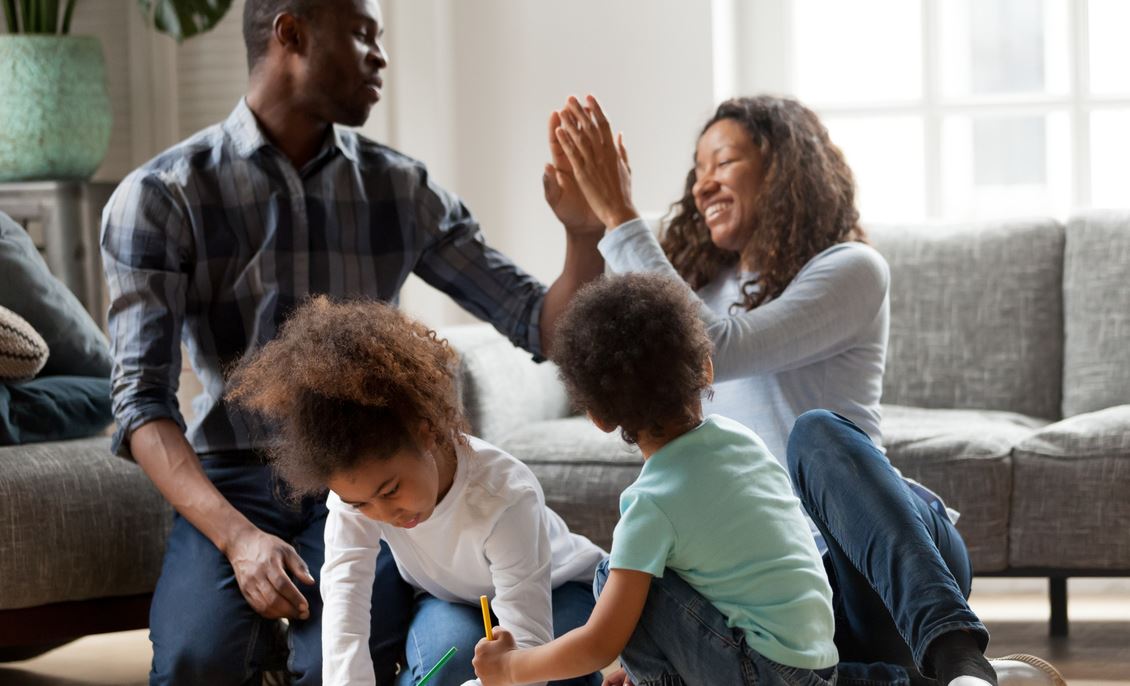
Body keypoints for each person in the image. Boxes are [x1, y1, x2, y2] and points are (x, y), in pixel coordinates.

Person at [98, 1, 604, 683]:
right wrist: (238, 538)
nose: (381, 57)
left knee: (343, 657)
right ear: (292, 33)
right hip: (230, 477)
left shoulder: (401, 188)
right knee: (194, 660)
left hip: (362, 476)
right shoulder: (162, 196)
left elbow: (545, 326)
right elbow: (140, 405)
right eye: (364, 34)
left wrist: (582, 235)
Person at [544, 94, 1064, 686]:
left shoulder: (851, 269)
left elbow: (718, 344)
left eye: (723, 163)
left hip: (884, 568)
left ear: (783, 169)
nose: (702, 185)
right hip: (791, 607)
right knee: (632, 569)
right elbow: (579, 348)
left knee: (814, 434)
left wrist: (619, 211)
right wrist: (585, 231)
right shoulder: (693, 291)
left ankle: (960, 659)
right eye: (697, 170)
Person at [472, 271, 859, 686]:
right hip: (819, 667)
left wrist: (511, 668)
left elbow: (599, 644)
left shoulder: (651, 503)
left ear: (600, 418)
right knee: (646, 573)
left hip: (761, 675)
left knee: (616, 576)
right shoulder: (744, 440)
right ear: (705, 368)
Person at [226, 296, 606, 686]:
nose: (381, 512)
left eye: (391, 490)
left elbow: (525, 648)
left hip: (556, 589)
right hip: (453, 599)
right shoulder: (356, 500)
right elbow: (346, 592)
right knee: (447, 666)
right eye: (361, 503)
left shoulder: (505, 494)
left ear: (426, 434)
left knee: (558, 673)